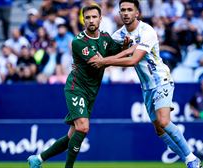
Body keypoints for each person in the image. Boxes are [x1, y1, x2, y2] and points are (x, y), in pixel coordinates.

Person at [89, 1, 203, 168]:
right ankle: (188, 160)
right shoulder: (119, 35)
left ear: (137, 13)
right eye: (123, 10)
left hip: (161, 80)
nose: (126, 13)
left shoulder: (147, 31)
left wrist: (104, 62)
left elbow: (133, 59)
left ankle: (192, 159)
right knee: (160, 130)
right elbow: (101, 50)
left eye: (129, 10)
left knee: (164, 121)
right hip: (147, 87)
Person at [27, 4, 134, 168]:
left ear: (100, 19)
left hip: (91, 91)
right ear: (83, 20)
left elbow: (114, 53)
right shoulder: (78, 41)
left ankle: (38, 159)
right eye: (88, 17)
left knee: (73, 135)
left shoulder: (105, 37)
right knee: (83, 128)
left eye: (94, 17)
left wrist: (125, 46)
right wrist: (127, 53)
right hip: (76, 88)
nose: (91, 20)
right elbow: (98, 63)